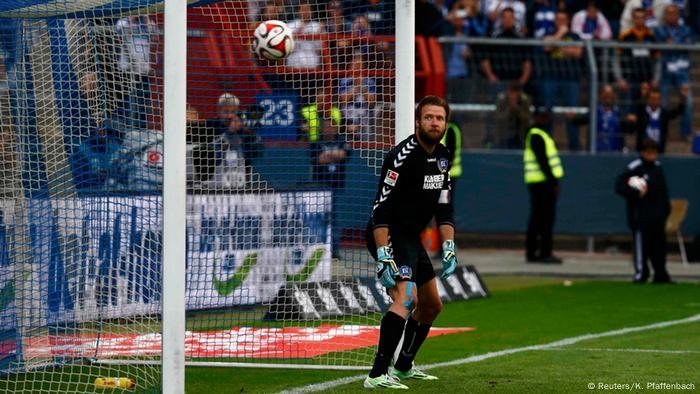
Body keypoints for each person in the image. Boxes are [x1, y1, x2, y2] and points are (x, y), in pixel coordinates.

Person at [363, 96, 456, 389]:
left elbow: (444, 206)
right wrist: (382, 253)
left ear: (445, 123)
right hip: (389, 232)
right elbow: (381, 208)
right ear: (418, 121)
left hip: (412, 238)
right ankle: (377, 374)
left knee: (431, 305)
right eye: (429, 117)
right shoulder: (401, 156)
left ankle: (404, 366)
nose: (434, 123)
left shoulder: (443, 156)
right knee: (406, 298)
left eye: (439, 118)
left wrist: (449, 246)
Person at [615, 138, 672, 283]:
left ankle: (661, 273)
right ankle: (641, 273)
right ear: (643, 153)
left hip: (658, 216)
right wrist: (635, 193)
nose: (652, 156)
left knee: (659, 246)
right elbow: (620, 186)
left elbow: (663, 191)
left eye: (654, 153)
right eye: (649, 153)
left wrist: (665, 210)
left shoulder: (658, 168)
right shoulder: (635, 167)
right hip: (640, 216)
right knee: (642, 246)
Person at [524, 108, 564, 264]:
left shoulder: (539, 134)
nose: (545, 119)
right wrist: (553, 182)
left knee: (538, 218)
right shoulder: (536, 135)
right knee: (544, 219)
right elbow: (543, 162)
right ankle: (543, 252)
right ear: (536, 118)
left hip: (539, 182)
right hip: (542, 183)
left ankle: (534, 252)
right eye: (542, 116)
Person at [540, 10, 583, 151]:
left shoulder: (575, 36)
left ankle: (574, 146)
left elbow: (578, 52)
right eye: (558, 19)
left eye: (563, 20)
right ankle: (547, 145)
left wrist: (557, 45)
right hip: (551, 78)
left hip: (571, 79)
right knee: (548, 112)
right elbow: (547, 46)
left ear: (568, 21)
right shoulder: (549, 33)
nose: (560, 22)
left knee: (572, 113)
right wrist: (560, 35)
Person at [311, 117, 349, 259]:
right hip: (319, 188)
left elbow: (343, 155)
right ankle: (319, 249)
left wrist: (327, 155)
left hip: (336, 186)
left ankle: (334, 250)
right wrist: (334, 155)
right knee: (319, 219)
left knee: (334, 219)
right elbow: (318, 159)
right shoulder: (316, 142)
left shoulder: (340, 140)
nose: (329, 129)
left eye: (331, 126)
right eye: (326, 126)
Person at [654, 4, 694, 138]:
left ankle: (685, 133)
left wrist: (671, 44)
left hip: (682, 70)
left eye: (674, 14)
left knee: (688, 102)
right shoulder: (659, 30)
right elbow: (662, 45)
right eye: (669, 14)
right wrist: (675, 44)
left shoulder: (686, 30)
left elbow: (686, 44)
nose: (672, 16)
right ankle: (662, 132)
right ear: (665, 16)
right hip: (665, 70)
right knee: (663, 103)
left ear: (679, 15)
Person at [614, 7, 660, 113]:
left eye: (642, 18)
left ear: (645, 19)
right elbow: (616, 59)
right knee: (628, 112)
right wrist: (620, 79)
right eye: (637, 18)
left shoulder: (651, 36)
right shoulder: (625, 36)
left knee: (646, 112)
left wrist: (656, 79)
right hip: (630, 81)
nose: (639, 20)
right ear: (633, 19)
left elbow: (657, 59)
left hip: (647, 81)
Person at [569, 84, 630, 152]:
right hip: (597, 151)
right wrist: (573, 118)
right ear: (600, 96)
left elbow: (628, 130)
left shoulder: (619, 113)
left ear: (614, 96)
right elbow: (582, 120)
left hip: (615, 151)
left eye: (610, 94)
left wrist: (631, 122)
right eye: (606, 94)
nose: (608, 97)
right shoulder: (595, 112)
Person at [627, 87, 685, 154]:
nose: (654, 101)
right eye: (652, 99)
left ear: (660, 100)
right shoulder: (641, 113)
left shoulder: (663, 113)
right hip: (642, 150)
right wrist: (631, 122)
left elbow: (676, 113)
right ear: (648, 99)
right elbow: (631, 130)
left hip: (659, 150)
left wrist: (683, 99)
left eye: (657, 99)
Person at [494, 82, 531, 148]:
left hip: (520, 132)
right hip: (504, 132)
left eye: (515, 93)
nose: (513, 96)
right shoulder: (501, 99)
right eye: (511, 93)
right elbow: (497, 117)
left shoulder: (524, 100)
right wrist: (509, 110)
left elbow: (527, 118)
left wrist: (518, 109)